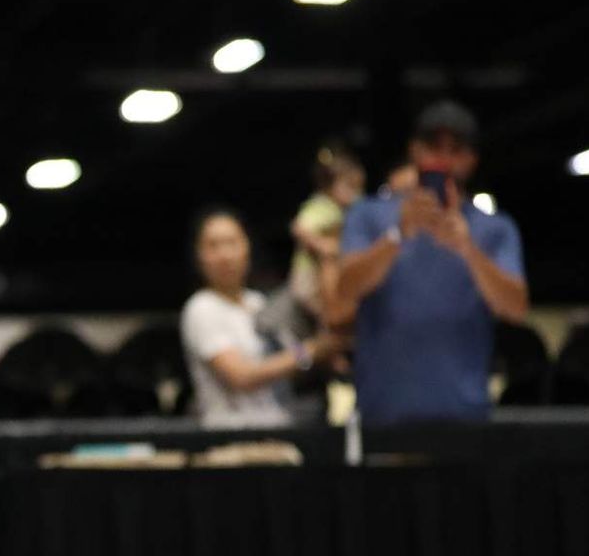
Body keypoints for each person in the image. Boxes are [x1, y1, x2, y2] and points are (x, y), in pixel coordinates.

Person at [334, 101, 529, 425]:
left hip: (465, 415)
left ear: (471, 159)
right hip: (382, 414)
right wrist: (397, 234)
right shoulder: (369, 214)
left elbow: (516, 308)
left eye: (455, 149)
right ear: (414, 150)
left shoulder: (494, 227)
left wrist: (467, 248)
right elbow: (346, 289)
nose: (443, 158)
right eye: (433, 147)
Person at [182, 210, 337, 428]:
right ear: (199, 256)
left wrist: (315, 351)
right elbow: (241, 377)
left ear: (247, 248)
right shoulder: (202, 308)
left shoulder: (259, 303)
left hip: (278, 428)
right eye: (213, 246)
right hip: (230, 438)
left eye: (232, 243)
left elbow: (292, 358)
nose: (225, 255)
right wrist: (312, 350)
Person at [288, 145, 366, 322]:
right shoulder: (321, 206)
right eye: (350, 187)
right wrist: (322, 245)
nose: (356, 194)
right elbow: (298, 228)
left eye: (358, 188)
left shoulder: (350, 210)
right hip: (307, 276)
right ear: (329, 186)